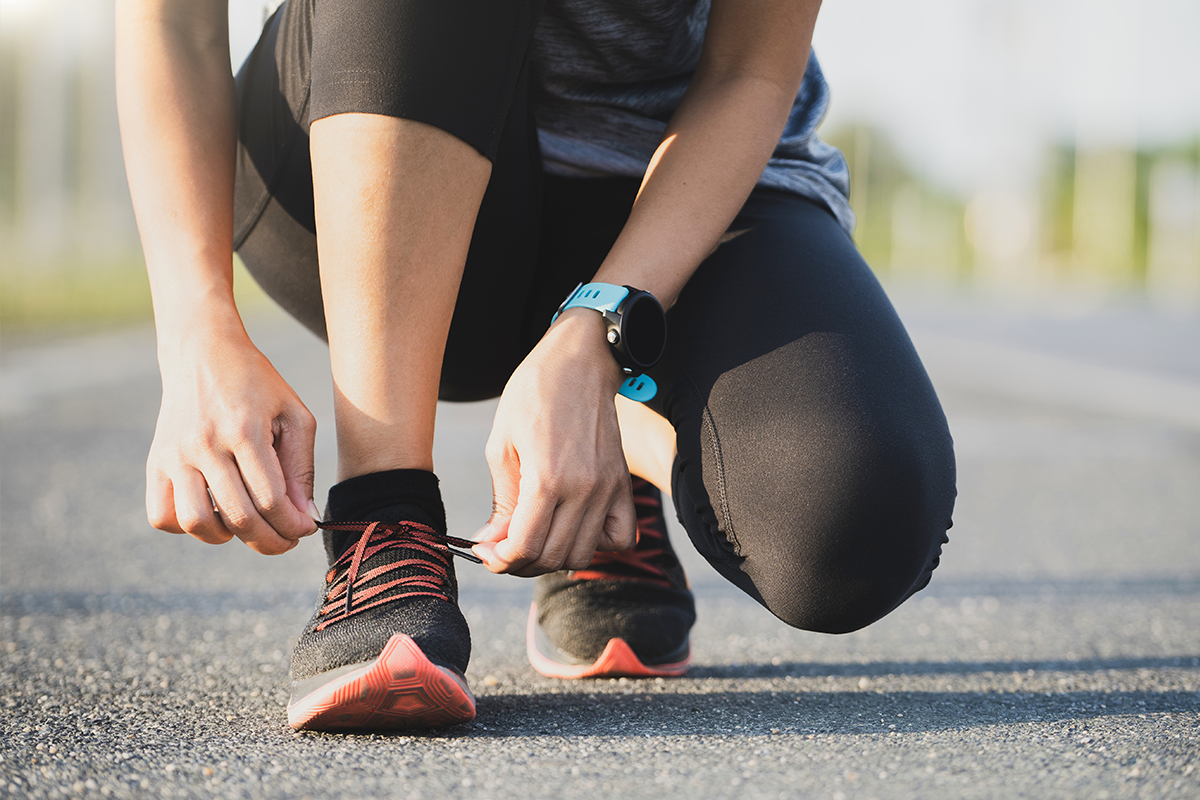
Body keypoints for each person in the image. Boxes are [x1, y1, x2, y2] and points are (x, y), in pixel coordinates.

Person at [115, 0, 956, 732]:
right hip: (364, 140)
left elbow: (750, 72)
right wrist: (196, 329)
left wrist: (600, 329)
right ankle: (385, 520)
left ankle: (605, 443)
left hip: (673, 191)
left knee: (852, 522)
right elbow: (169, 18)